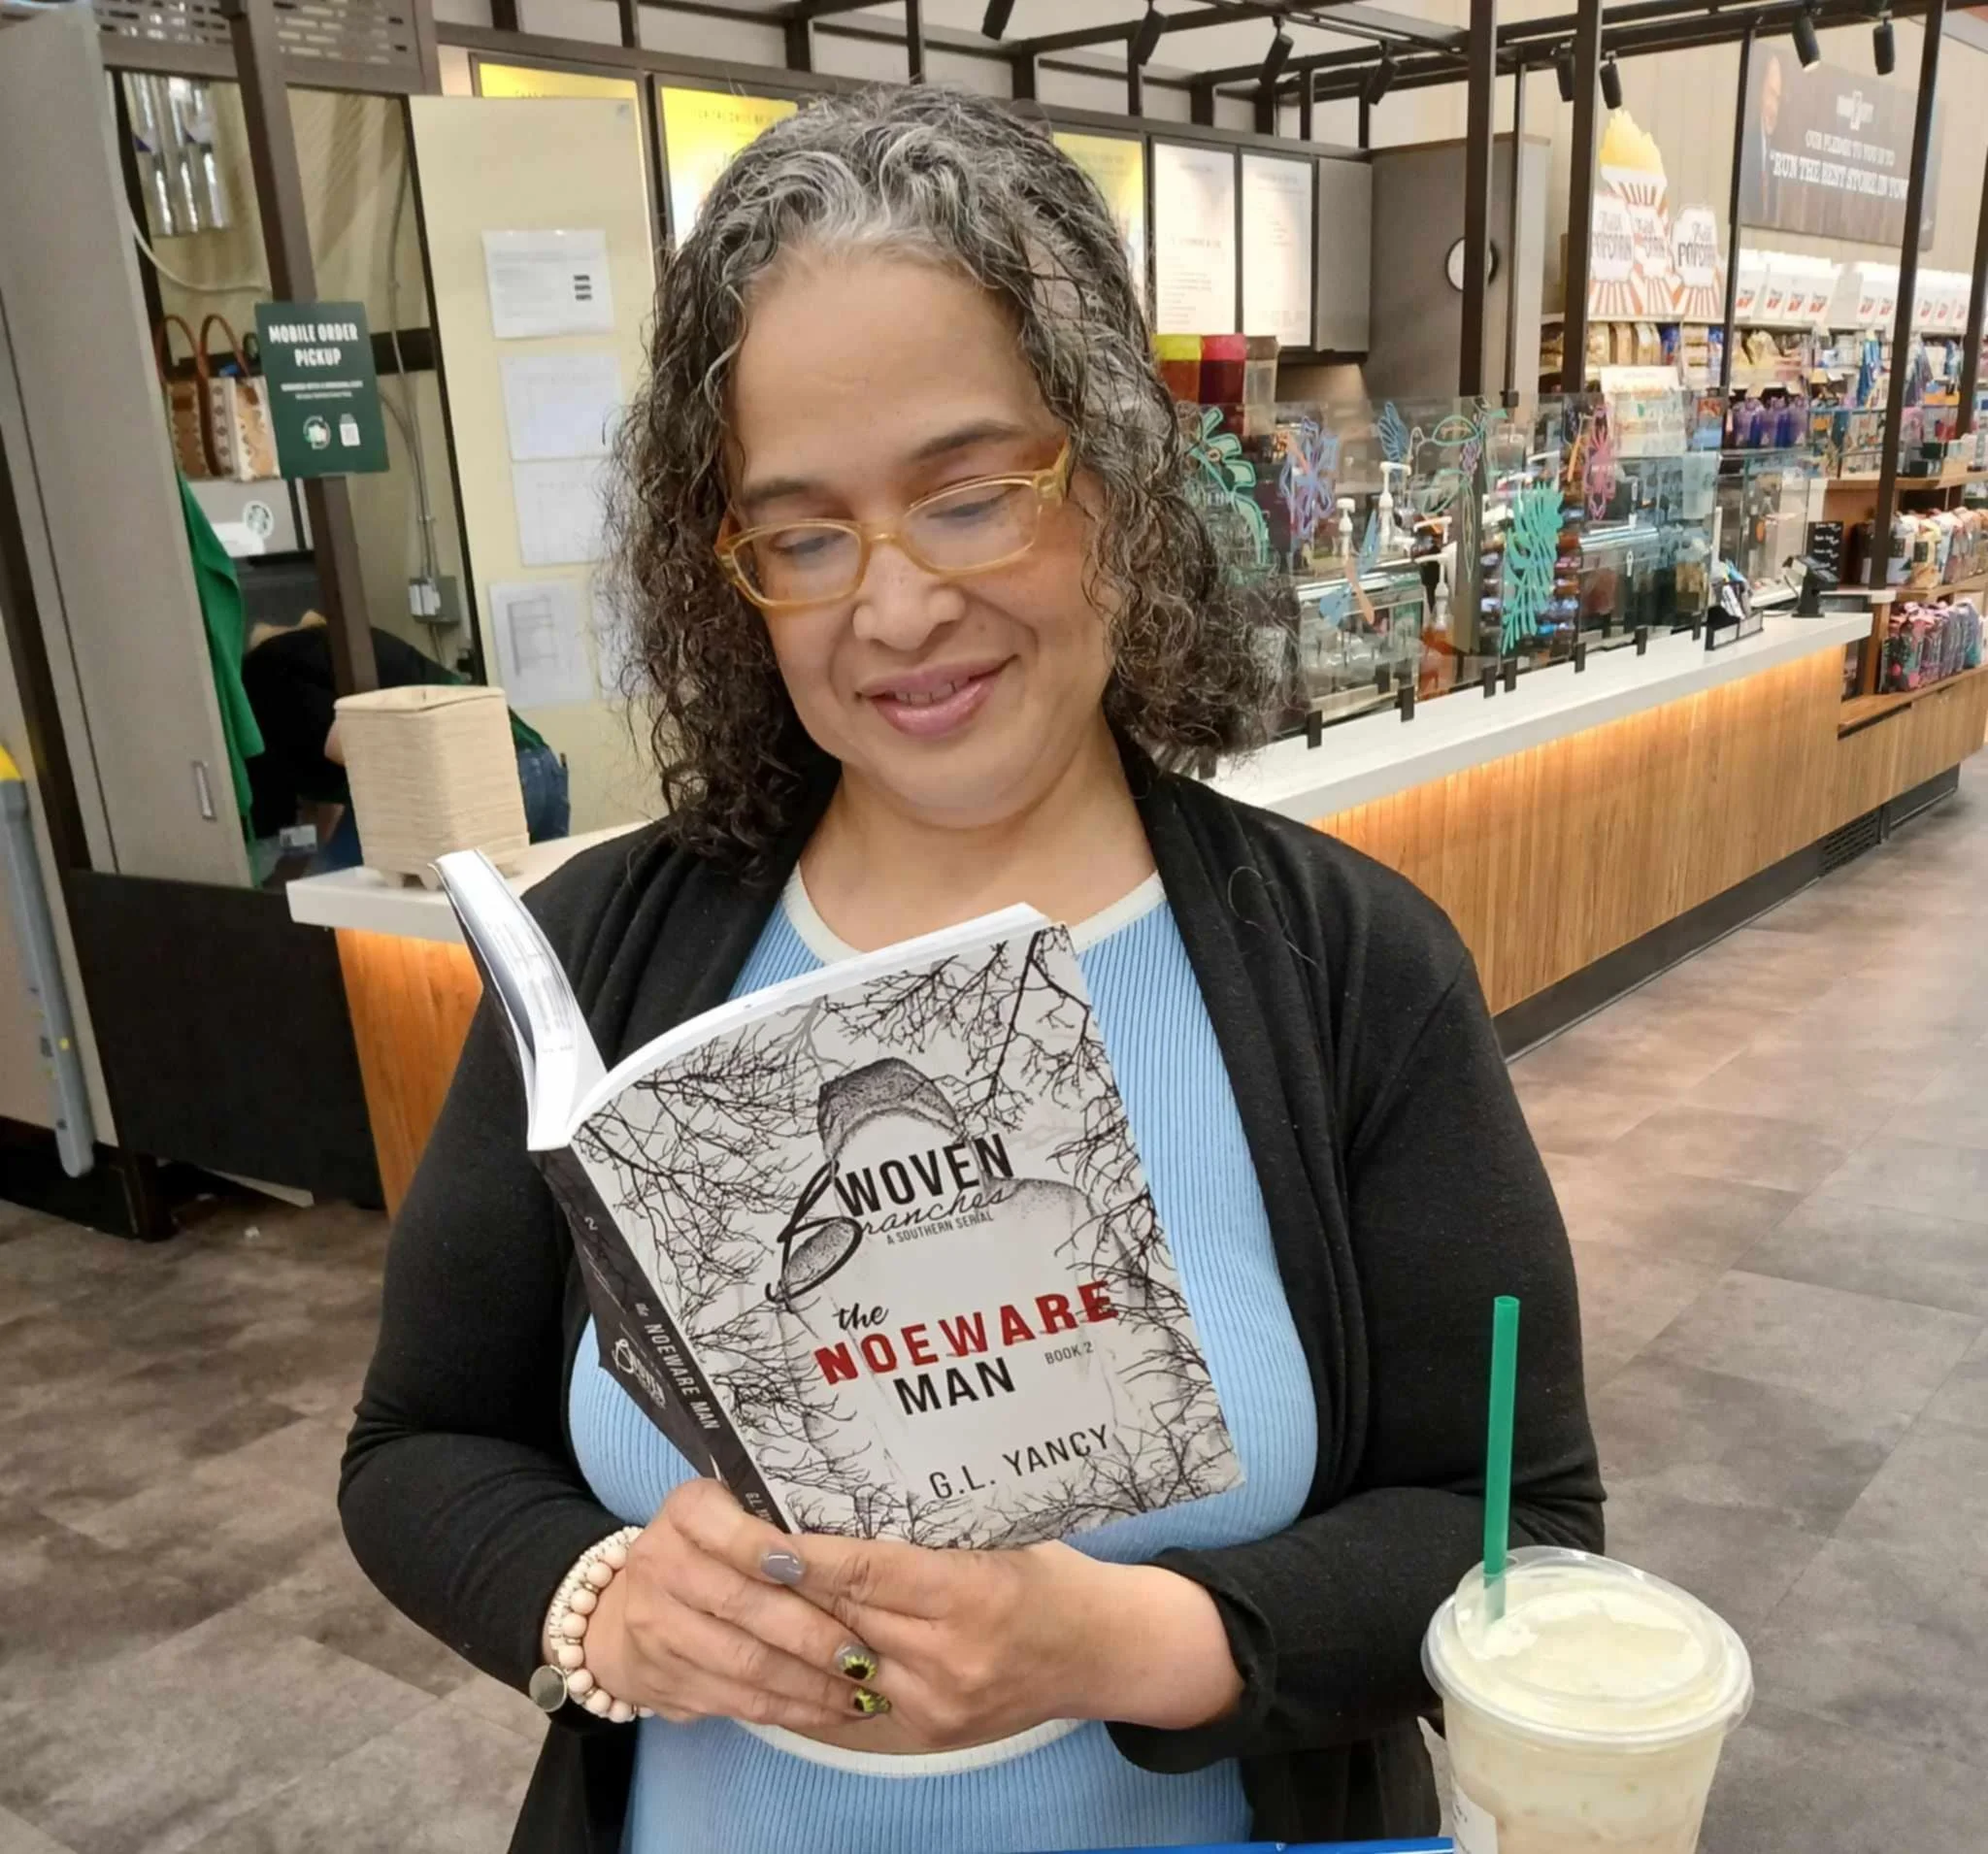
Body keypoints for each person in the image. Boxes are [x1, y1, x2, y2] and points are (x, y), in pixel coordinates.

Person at [340, 85, 1602, 1854]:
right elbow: (415, 1451)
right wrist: (596, 1605)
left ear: (1113, 479)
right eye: (801, 535)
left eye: (969, 496)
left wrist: (1127, 1641)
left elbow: (1518, 1530)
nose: (898, 607)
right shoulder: (603, 961)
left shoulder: (1345, 973)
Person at [240, 613, 569, 872]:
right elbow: (332, 808)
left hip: (471, 784)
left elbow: (370, 750)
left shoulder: (267, 676)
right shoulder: (322, 649)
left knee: (342, 910)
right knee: (541, 916)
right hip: (539, 767)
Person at [1740, 50, 1786, 225]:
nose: (1774, 108)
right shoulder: (1747, 143)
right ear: (1759, 92)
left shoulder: (1776, 149)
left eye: (1778, 99)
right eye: (1771, 94)